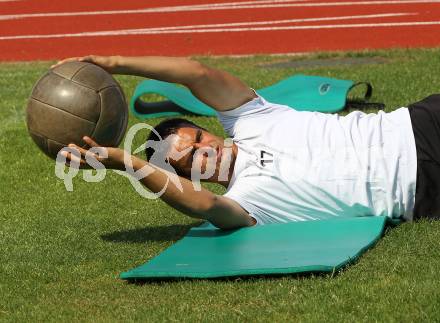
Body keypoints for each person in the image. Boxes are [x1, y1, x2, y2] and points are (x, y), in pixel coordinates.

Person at [53, 55, 437, 230]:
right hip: (419, 192)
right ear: (192, 177)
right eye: (193, 160)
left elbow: (197, 73)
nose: (207, 152)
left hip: (415, 125)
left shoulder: (251, 120)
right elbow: (203, 204)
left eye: (200, 139)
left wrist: (115, 63)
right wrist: (126, 161)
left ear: (210, 131)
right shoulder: (245, 201)